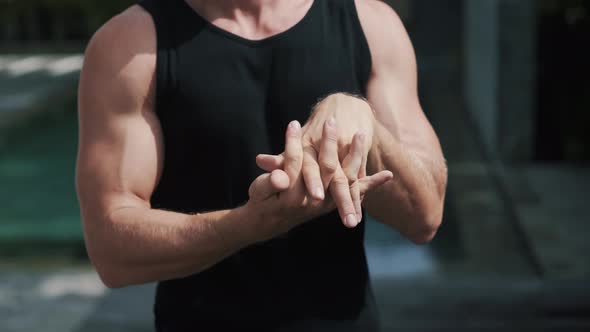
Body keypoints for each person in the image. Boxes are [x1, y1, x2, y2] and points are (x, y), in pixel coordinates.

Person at [75, 0, 447, 330]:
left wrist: (364, 126)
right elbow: (111, 250)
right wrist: (248, 224)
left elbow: (425, 216)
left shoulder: (372, 24)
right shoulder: (130, 45)